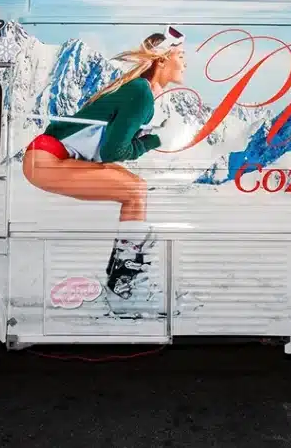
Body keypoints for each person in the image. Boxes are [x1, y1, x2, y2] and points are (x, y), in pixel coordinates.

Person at [22, 28, 187, 298]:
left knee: (136, 187)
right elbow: (113, 151)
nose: (184, 62)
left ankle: (122, 278)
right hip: (46, 160)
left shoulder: (138, 90)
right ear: (162, 60)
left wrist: (145, 137)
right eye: (180, 55)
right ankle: (125, 285)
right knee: (134, 192)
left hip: (48, 155)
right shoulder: (141, 94)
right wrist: (153, 141)